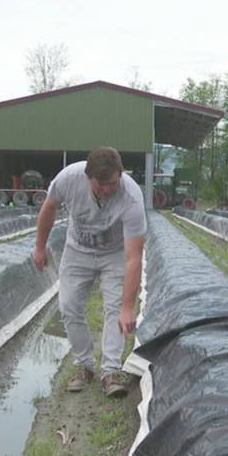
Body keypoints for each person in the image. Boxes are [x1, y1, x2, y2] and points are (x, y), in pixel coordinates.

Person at [33, 147, 146, 398]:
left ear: (121, 174)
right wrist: (40, 246)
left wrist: (128, 307)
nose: (107, 190)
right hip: (78, 250)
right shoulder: (68, 179)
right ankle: (84, 365)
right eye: (101, 184)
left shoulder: (131, 197)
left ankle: (110, 371)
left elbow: (134, 257)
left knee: (116, 308)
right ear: (88, 177)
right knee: (69, 306)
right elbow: (49, 207)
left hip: (115, 253)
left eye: (113, 183)